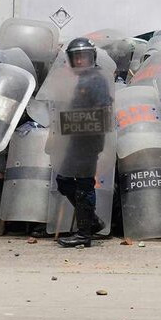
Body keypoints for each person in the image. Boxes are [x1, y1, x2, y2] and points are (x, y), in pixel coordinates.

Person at [55, 37, 106, 249]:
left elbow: (102, 110)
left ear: (91, 57)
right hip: (76, 137)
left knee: (84, 184)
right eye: (76, 57)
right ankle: (92, 221)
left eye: (83, 56)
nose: (80, 60)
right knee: (64, 181)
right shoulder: (82, 80)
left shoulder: (96, 80)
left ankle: (84, 234)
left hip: (89, 139)